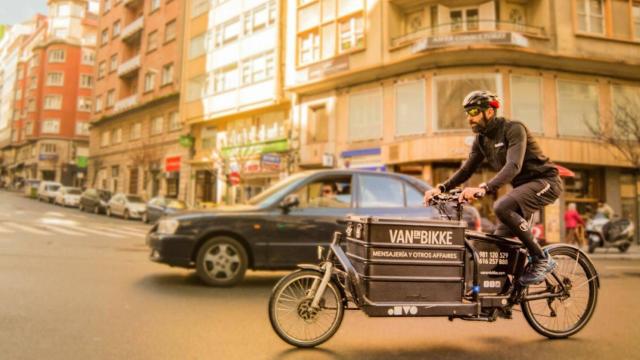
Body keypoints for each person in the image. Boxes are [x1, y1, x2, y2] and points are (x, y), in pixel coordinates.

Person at [423, 90, 563, 286]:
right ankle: (499, 300)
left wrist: (485, 188)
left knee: (501, 206)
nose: (468, 118)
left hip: (546, 182)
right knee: (493, 250)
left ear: (489, 112)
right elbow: (466, 170)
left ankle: (541, 258)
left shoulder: (513, 129)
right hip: (521, 189)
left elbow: (513, 166)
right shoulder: (481, 140)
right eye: (467, 113)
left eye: (473, 112)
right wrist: (441, 188)